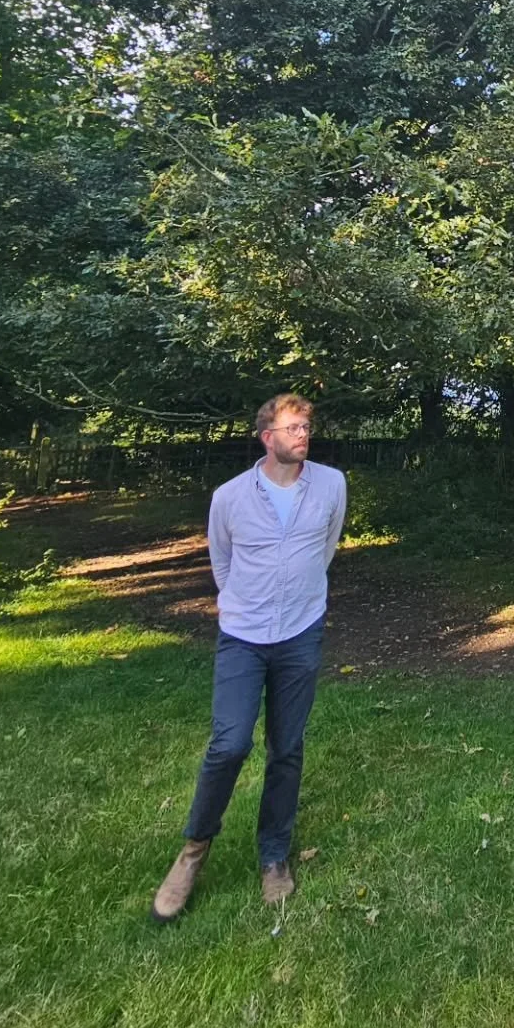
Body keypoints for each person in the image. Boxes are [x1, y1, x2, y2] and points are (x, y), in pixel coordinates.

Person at [151, 394, 347, 921]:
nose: (302, 435)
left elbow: (326, 548)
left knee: (286, 747)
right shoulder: (230, 497)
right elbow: (223, 560)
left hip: (301, 634)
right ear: (267, 436)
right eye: (291, 427)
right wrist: (247, 601)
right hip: (243, 635)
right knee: (230, 744)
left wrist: (301, 598)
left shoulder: (331, 484)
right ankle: (193, 852)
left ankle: (274, 857)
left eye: (306, 426)